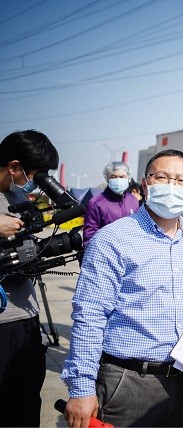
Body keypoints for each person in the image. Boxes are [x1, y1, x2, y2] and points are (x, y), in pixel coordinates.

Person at [61, 149, 183, 427]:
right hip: (127, 382)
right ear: (146, 183)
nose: (172, 186)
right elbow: (89, 315)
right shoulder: (113, 238)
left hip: (181, 379)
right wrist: (81, 388)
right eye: (162, 177)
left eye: (181, 180)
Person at [0, 130, 60, 427]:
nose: (38, 181)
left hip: (25, 316)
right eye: (36, 174)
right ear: (14, 166)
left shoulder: (20, 197)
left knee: (23, 404)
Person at [82, 161, 140, 248]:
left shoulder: (133, 201)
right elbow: (90, 235)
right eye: (114, 177)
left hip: (130, 251)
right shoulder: (96, 203)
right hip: (106, 252)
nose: (118, 180)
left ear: (128, 178)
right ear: (108, 179)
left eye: (122, 177)